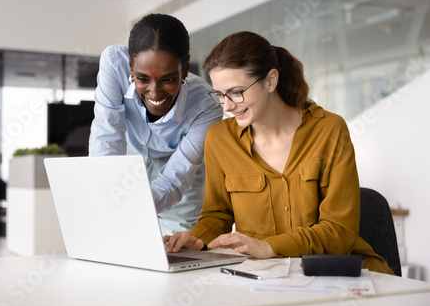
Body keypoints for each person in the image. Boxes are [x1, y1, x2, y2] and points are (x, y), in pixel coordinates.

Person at [164, 31, 393, 274]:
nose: (228, 106)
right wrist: (197, 238)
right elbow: (217, 214)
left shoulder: (329, 130)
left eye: (236, 91)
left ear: (270, 81)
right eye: (220, 95)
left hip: (336, 271)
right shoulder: (220, 139)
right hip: (265, 276)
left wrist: (269, 246)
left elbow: (340, 233)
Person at [88, 14, 223, 235]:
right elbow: (107, 135)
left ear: (185, 67)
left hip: (178, 165)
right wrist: (105, 193)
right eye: (143, 79)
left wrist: (136, 206)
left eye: (168, 79)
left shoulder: (207, 104)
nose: (155, 92)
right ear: (131, 67)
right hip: (130, 155)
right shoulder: (114, 63)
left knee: (175, 248)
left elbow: (173, 180)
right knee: (116, 237)